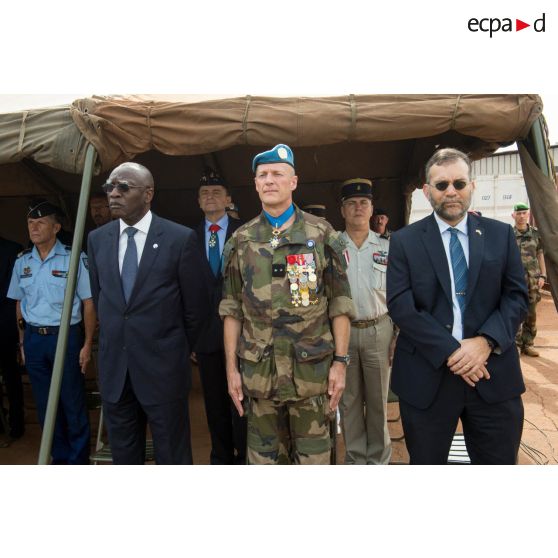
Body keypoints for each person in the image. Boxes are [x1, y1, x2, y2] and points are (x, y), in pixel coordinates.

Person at [387, 147, 528, 465]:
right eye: (441, 185)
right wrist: (453, 351)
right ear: (427, 191)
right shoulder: (405, 241)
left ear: (472, 186)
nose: (451, 192)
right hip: (428, 377)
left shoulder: (500, 235)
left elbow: (516, 296)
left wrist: (485, 342)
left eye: (459, 183)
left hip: (491, 374)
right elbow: (401, 305)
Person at [220, 144, 355, 465]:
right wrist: (231, 369)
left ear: (293, 181)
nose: (269, 180)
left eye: (277, 174)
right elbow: (231, 309)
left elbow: (340, 304)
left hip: (311, 377)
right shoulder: (242, 240)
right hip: (260, 379)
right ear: (255, 184)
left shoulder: (321, 234)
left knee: (315, 463)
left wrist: (340, 363)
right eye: (262, 175)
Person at [87, 162, 205, 464]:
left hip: (163, 371)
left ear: (148, 194)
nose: (113, 193)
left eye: (123, 187)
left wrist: (172, 350)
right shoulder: (98, 240)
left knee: (172, 456)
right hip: (116, 373)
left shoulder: (179, 239)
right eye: (109, 187)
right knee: (124, 456)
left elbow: (195, 311)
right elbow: (103, 300)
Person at [7, 201, 93, 464]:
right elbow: (19, 303)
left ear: (55, 227)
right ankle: (58, 457)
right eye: (31, 223)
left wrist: (87, 344)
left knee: (71, 401)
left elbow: (89, 302)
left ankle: (78, 460)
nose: (34, 228)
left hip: (64, 337)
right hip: (34, 339)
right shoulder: (23, 261)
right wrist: (22, 342)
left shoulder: (75, 257)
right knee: (45, 404)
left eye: (41, 223)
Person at [339, 178, 394, 464]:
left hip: (378, 329)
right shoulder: (332, 247)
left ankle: (378, 461)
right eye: (351, 203)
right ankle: (355, 459)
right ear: (342, 210)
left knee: (377, 402)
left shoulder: (387, 246)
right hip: (343, 333)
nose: (358, 208)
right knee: (348, 402)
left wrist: (396, 333)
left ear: (372, 209)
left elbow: (398, 293)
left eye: (363, 203)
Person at [195, 168, 247, 464]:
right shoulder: (187, 238)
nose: (210, 197)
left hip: (244, 336)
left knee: (242, 401)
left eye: (216, 192)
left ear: (228, 199)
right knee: (214, 403)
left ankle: (244, 457)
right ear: (198, 201)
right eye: (204, 193)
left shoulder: (246, 232)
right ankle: (222, 458)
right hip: (205, 337)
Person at [512, 202, 547, 357]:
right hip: (515, 281)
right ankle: (516, 344)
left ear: (528, 214)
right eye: (518, 213)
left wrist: (543, 275)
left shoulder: (535, 233)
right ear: (513, 215)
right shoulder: (509, 234)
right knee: (515, 312)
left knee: (531, 313)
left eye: (524, 213)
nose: (521, 216)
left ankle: (529, 343)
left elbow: (540, 254)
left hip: (533, 280)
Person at [0, 236, 25, 439]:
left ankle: (17, 422)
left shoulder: (12, 249)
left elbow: (14, 293)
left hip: (5, 324)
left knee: (11, 374)